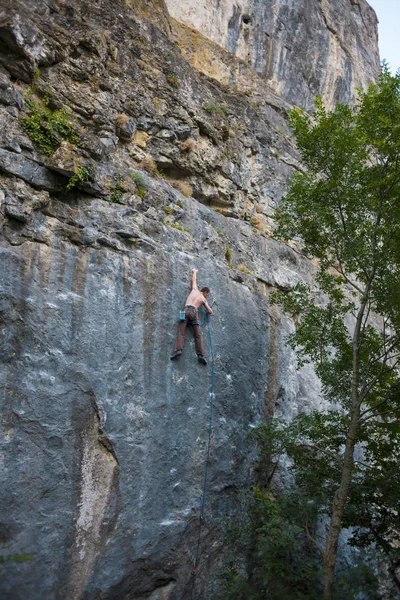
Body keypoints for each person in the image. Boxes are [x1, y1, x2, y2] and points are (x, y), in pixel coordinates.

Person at [171, 268, 213, 365]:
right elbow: (210, 310)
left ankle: (178, 350)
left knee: (181, 331)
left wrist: (194, 271)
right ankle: (200, 355)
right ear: (205, 292)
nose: (207, 296)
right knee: (198, 335)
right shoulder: (203, 299)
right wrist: (210, 311)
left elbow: (194, 280)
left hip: (186, 310)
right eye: (208, 294)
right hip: (194, 312)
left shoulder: (194, 290)